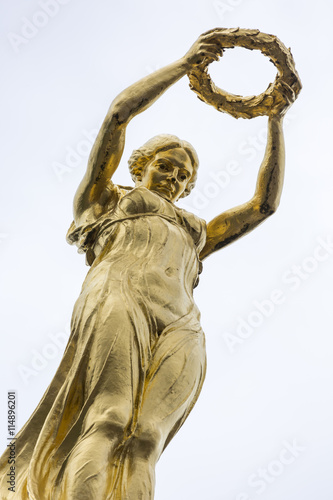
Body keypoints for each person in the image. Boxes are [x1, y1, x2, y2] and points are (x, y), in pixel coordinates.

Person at [0, 30, 295, 500]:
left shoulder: (196, 230)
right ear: (142, 166)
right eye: (166, 166)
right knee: (110, 417)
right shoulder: (107, 199)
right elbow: (118, 113)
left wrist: (275, 119)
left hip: (180, 321)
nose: (175, 177)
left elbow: (263, 206)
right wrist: (185, 65)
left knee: (146, 440)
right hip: (119, 298)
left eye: (184, 175)